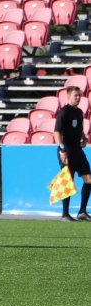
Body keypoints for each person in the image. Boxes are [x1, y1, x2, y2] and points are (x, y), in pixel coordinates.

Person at [54, 84, 91, 221]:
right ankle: (65, 214)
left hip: (78, 151)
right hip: (67, 151)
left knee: (89, 179)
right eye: (75, 95)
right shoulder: (63, 112)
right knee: (67, 181)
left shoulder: (79, 112)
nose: (78, 97)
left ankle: (82, 212)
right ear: (68, 96)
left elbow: (79, 129)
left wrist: (83, 138)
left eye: (79, 95)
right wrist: (62, 149)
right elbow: (56, 132)